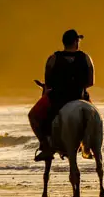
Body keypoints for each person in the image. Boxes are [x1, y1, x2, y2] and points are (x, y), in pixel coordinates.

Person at [29, 29, 95, 161]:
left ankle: (45, 145)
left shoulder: (53, 58)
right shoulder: (86, 58)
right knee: (95, 119)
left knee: (33, 116)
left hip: (57, 98)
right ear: (76, 42)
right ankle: (89, 147)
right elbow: (90, 82)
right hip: (80, 97)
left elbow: (48, 83)